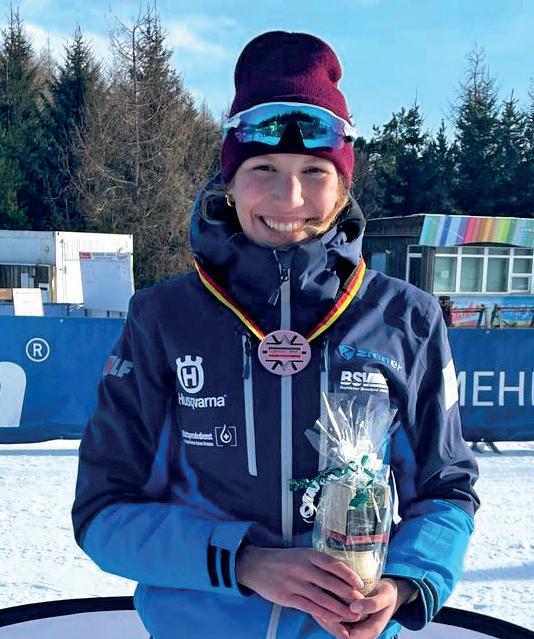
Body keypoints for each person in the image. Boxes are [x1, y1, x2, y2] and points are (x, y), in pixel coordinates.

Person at [72, 31, 479, 639]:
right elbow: (103, 512)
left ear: (343, 187)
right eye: (264, 169)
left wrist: (401, 585)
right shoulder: (163, 317)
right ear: (230, 181)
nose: (290, 198)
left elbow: (447, 489)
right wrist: (244, 562)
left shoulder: (406, 316)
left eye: (315, 171)